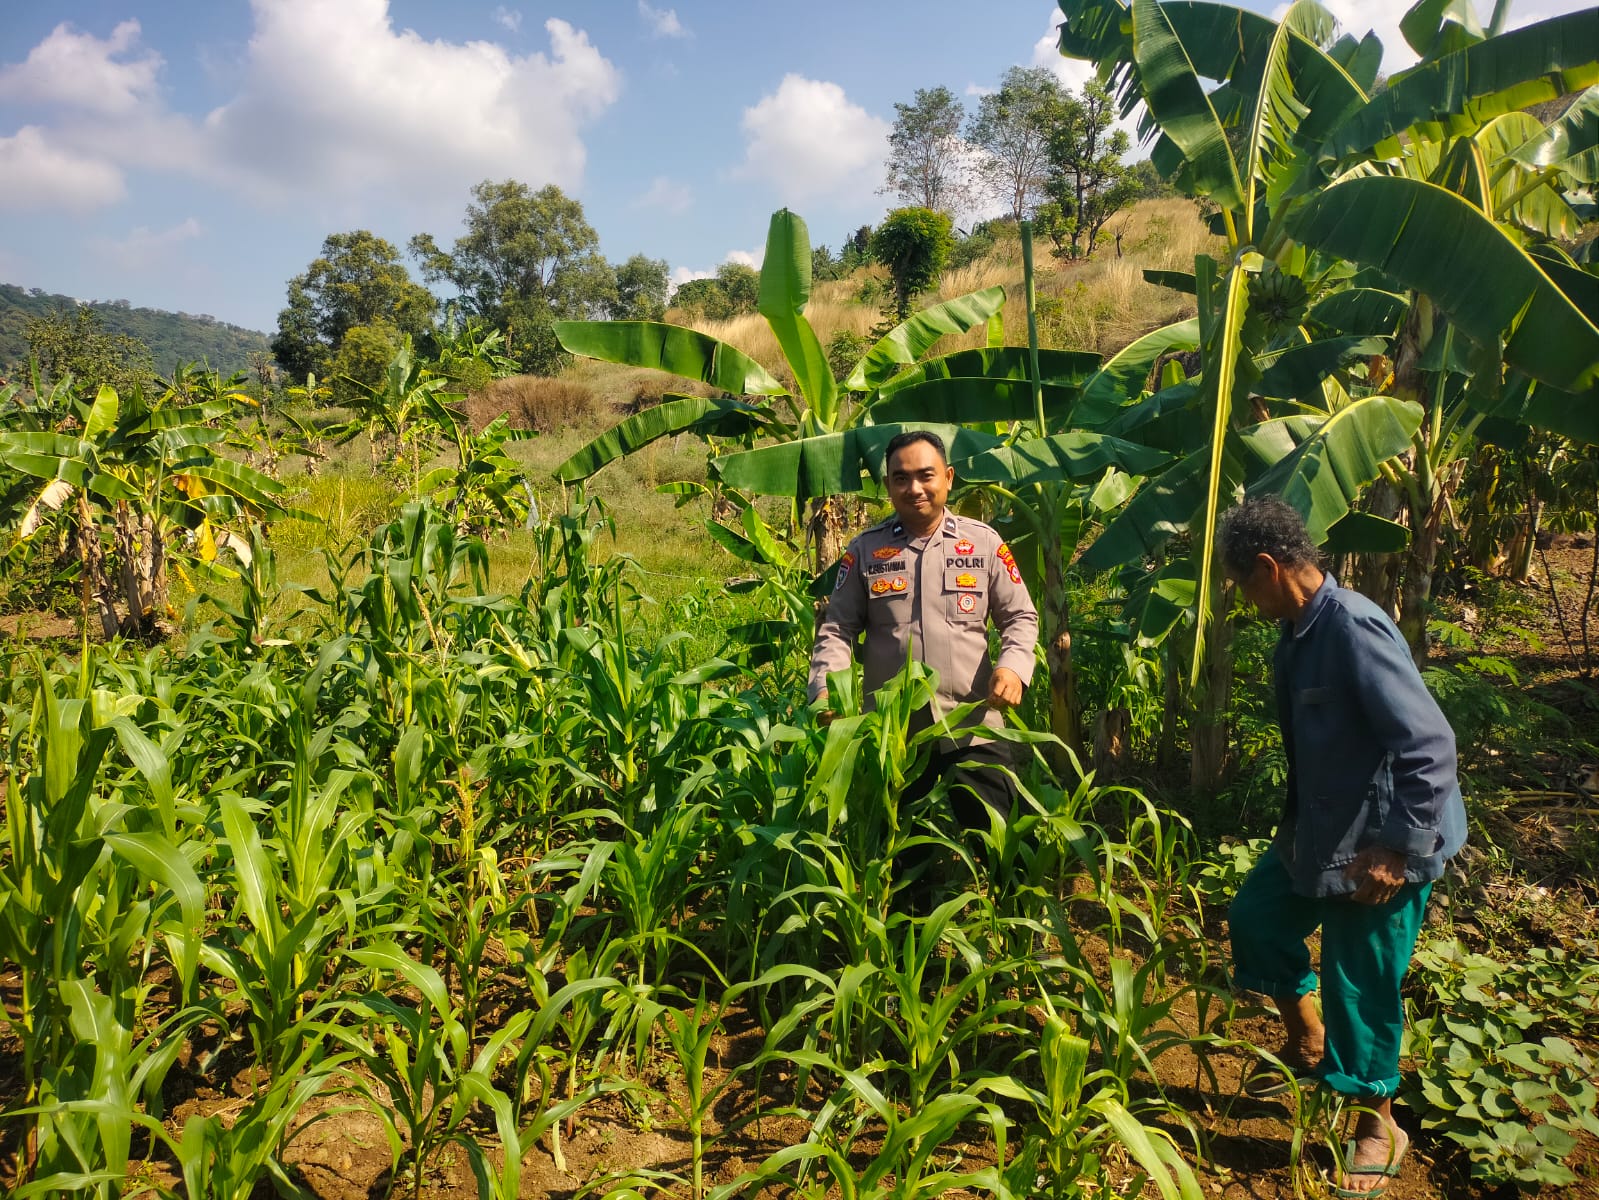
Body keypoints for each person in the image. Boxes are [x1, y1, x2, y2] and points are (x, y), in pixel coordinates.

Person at [1219, 495, 1466, 1200]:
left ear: (1268, 567)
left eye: (1244, 586)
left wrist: (1396, 850)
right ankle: (1306, 1036)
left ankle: (1377, 1125)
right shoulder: (1298, 632)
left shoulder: (1353, 627)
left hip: (1384, 841)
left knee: (1358, 981)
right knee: (1257, 919)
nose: (1247, 601)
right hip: (1324, 831)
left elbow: (1429, 745)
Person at [808, 430, 1039, 879]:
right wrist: (826, 688)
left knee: (1005, 849)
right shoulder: (866, 550)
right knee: (901, 866)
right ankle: (909, 922)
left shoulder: (983, 543)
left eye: (925, 475)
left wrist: (1013, 668)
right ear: (888, 486)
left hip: (973, 726)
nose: (914, 487)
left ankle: (1016, 919)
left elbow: (1020, 617)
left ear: (948, 478)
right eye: (901, 478)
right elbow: (837, 628)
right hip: (896, 737)